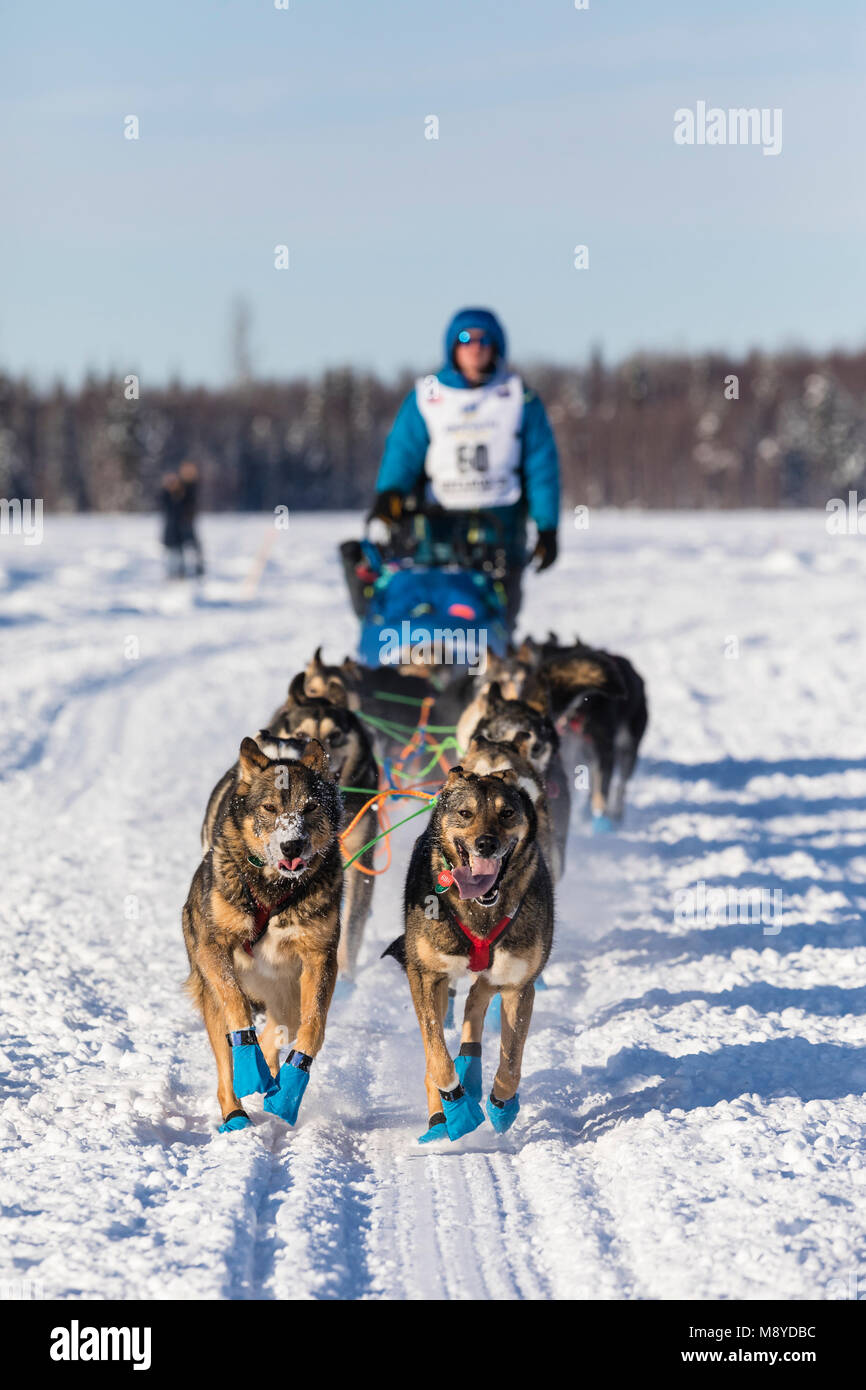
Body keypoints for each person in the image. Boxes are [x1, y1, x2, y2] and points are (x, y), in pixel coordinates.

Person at [368, 307, 559, 631]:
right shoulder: (428, 396)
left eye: (484, 339)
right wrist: (389, 495)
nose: (475, 346)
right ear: (452, 346)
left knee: (496, 620)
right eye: (465, 338)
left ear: (496, 345)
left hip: (501, 526)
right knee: (435, 614)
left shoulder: (518, 397)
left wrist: (547, 526)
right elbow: (403, 452)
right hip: (438, 525)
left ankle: (492, 677)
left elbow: (541, 465)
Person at [158, 461, 204, 579]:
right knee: (175, 552)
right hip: (174, 529)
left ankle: (196, 569)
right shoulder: (167, 495)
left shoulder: (188, 490)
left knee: (192, 548)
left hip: (186, 525)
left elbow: (190, 503)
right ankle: (177, 572)